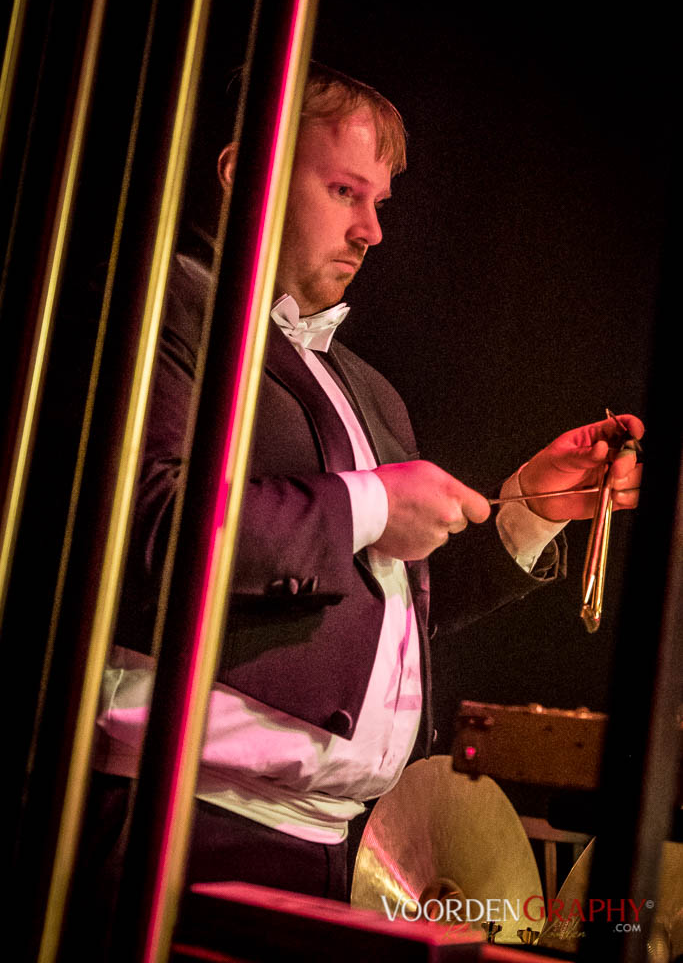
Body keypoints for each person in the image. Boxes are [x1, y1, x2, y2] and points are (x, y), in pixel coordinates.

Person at [84, 64, 643, 919]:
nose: (371, 231)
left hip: (326, 843)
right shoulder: (164, 308)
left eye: (378, 201)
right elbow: (149, 521)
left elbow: (381, 603)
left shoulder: (368, 390)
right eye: (344, 191)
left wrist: (527, 510)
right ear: (242, 173)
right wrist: (372, 503)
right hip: (176, 817)